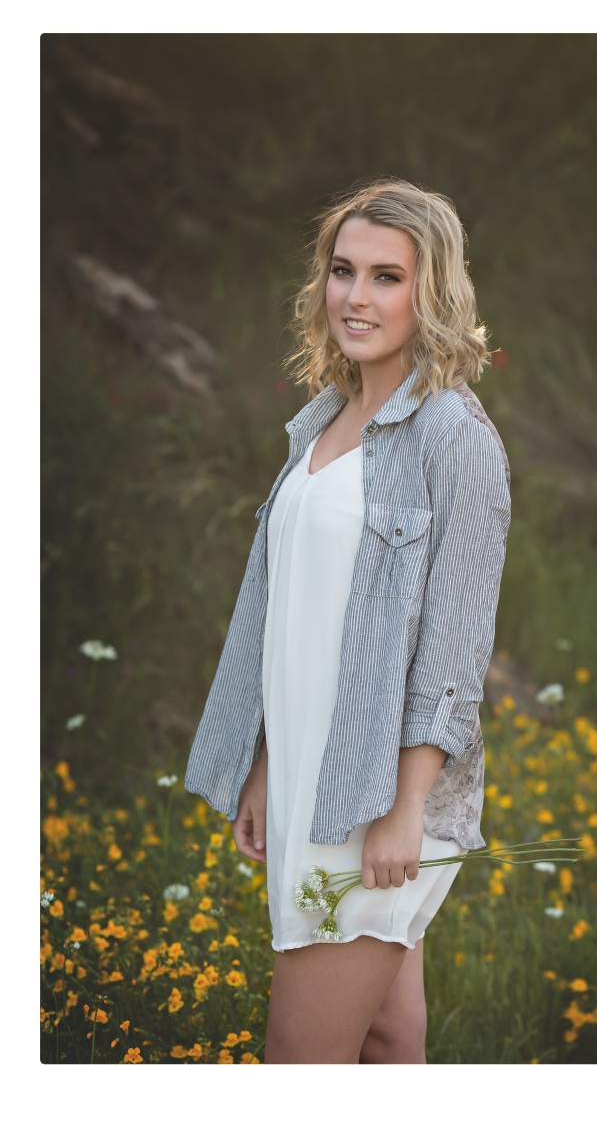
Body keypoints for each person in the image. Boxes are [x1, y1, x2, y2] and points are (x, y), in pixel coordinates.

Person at [184, 178, 511, 1064]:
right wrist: (262, 764)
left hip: (378, 803)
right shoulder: (322, 423)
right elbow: (290, 612)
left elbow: (454, 647)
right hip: (304, 776)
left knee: (302, 1060)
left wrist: (405, 810)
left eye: (386, 277)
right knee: (383, 1037)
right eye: (342, 271)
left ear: (432, 292)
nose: (356, 298)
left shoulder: (456, 438)